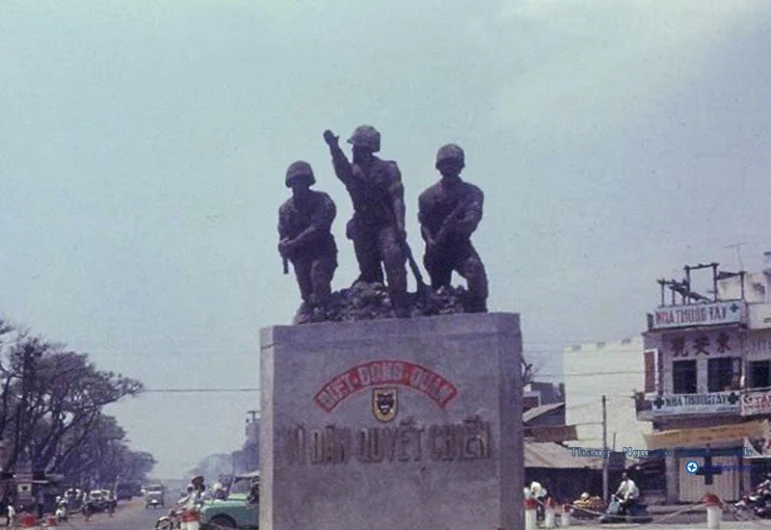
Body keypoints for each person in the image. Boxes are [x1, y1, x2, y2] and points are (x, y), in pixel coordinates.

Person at [323, 126, 410, 317]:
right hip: (363, 224)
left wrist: (400, 226)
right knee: (369, 271)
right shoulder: (352, 172)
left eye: (356, 147)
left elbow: (397, 197)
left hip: (385, 222)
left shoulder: (389, 169)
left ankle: (400, 304)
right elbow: (340, 167)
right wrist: (333, 147)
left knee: (393, 257)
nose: (353, 151)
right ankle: (375, 304)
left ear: (367, 149)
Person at [418, 144, 488, 312]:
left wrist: (457, 225)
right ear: (439, 166)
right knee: (439, 292)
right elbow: (424, 224)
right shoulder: (427, 196)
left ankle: (478, 310)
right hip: (437, 250)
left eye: (454, 163)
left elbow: (473, 217)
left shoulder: (471, 193)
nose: (449, 168)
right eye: (445, 163)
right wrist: (430, 241)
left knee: (475, 271)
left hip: (459, 246)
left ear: (461, 166)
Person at [278, 161, 338, 323]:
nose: (298, 186)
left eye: (302, 182)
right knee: (306, 290)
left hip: (322, 251)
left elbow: (320, 227)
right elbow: (283, 233)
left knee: (319, 278)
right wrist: (283, 245)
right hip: (300, 256)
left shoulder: (322, 200)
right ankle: (310, 312)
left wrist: (295, 242)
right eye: (295, 183)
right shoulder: (285, 210)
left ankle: (325, 312)